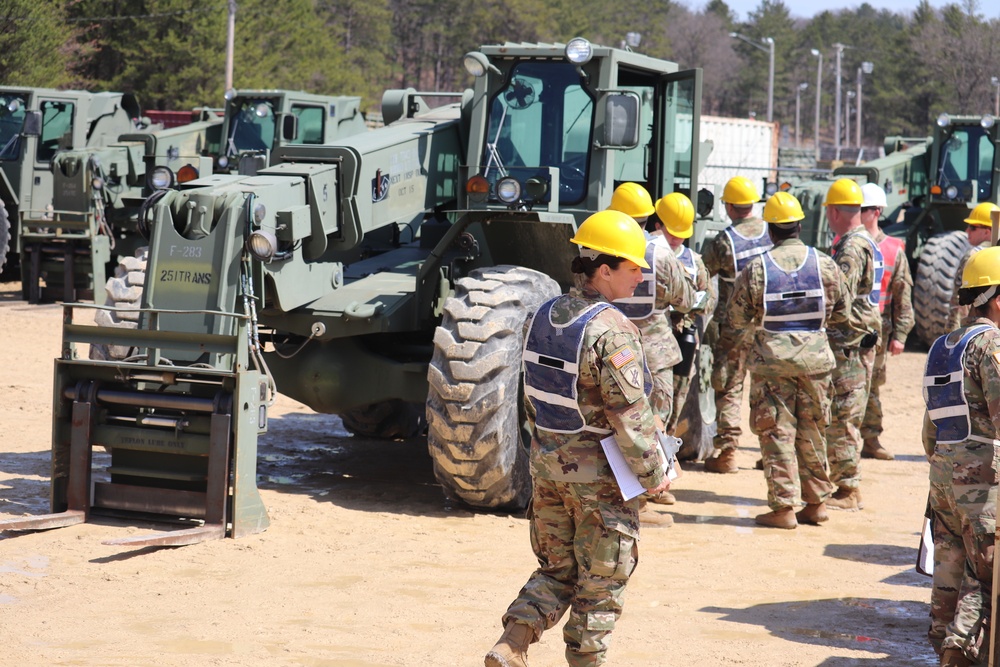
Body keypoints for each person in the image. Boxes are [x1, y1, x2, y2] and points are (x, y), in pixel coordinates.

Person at [486, 209, 671, 667]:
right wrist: (655, 474)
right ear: (603, 270)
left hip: (548, 467)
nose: (641, 275)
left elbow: (530, 394)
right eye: (632, 267)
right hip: (600, 479)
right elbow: (629, 414)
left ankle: (512, 643)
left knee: (557, 569)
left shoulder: (541, 314)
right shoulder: (612, 329)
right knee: (601, 582)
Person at [728, 192, 847, 529]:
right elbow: (842, 313)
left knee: (776, 431)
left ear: (771, 230)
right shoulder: (825, 264)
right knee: (814, 429)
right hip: (816, 364)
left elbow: (736, 318)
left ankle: (783, 509)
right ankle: (816, 504)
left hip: (771, 364)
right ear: (799, 226)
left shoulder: (757, 268)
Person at [921, 246, 1000, 667]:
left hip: (943, 476)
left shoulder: (942, 345)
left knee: (948, 566)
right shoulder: (991, 345)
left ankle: (940, 641)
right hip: (981, 482)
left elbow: (929, 429)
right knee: (986, 574)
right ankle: (960, 651)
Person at [609, 183, 696, 518]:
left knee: (614, 421)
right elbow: (686, 300)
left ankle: (639, 494)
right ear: (649, 219)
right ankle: (645, 499)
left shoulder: (597, 249)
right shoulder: (659, 253)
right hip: (653, 352)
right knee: (654, 424)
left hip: (610, 349)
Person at [701, 175, 771, 473]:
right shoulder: (773, 232)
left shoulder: (724, 241)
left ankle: (727, 452)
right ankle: (770, 452)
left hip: (734, 326)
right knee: (768, 387)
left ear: (729, 207)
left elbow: (703, 274)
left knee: (730, 385)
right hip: (770, 323)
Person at [824, 178, 882, 511]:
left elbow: (840, 297)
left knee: (844, 413)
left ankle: (847, 490)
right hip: (859, 337)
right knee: (848, 411)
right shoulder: (864, 241)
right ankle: (846, 484)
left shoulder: (850, 247)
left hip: (850, 341)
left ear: (833, 212)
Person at [858, 182, 914, 460]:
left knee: (872, 385)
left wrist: (901, 335)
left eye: (864, 209)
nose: (859, 213)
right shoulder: (844, 243)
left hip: (879, 327)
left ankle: (871, 439)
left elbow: (903, 293)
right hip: (850, 327)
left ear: (877, 212)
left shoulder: (894, 248)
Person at [948, 202, 1000, 331]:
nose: (967, 231)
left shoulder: (974, 257)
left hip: (978, 327)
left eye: (973, 227)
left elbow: (959, 302)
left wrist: (954, 332)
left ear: (987, 231)